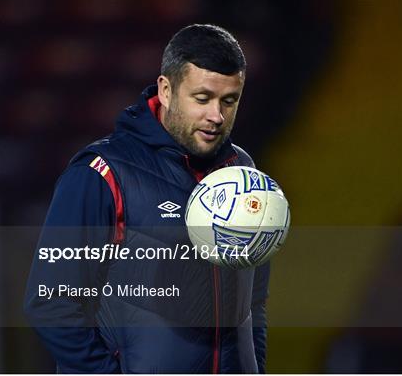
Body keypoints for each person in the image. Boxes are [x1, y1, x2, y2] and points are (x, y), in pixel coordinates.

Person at [24, 24, 269, 373]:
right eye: (202, 99)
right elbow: (51, 305)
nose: (216, 116)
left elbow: (253, 299)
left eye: (229, 101)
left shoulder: (241, 171)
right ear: (166, 90)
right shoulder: (102, 174)